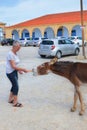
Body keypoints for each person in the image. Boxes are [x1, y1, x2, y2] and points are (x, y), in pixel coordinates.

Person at [6, 41, 31, 107]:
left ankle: (10, 99)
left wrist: (19, 70)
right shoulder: (10, 54)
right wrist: (23, 69)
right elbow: (13, 66)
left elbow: (15, 65)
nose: (19, 48)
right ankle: (15, 102)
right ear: (15, 46)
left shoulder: (15, 53)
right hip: (10, 72)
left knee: (14, 85)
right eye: (19, 47)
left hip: (14, 71)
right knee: (16, 86)